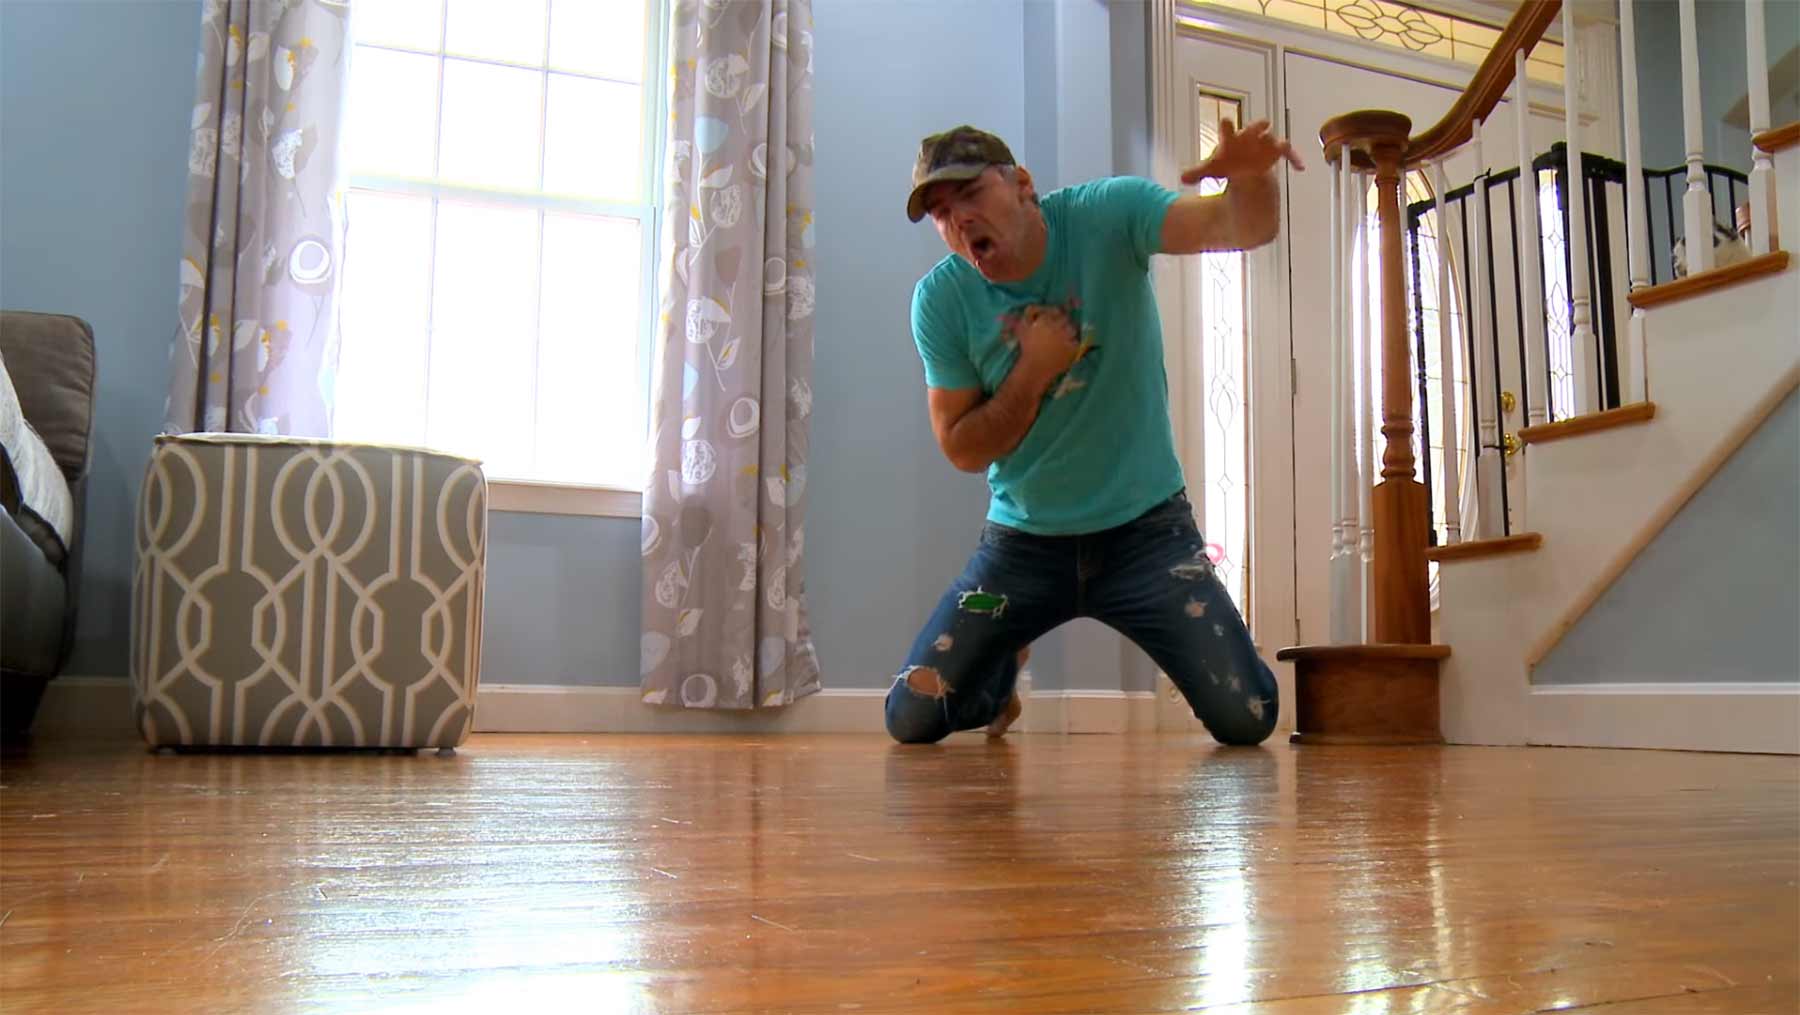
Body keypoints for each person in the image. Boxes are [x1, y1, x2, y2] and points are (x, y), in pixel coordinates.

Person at [886, 121, 1303, 746]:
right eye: (942, 213)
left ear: (1022, 184)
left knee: (1247, 716)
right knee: (912, 716)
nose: (959, 220)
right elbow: (962, 448)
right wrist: (1033, 371)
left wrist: (1250, 177)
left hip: (1148, 534)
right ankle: (1000, 672)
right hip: (1021, 545)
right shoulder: (941, 300)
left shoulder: (1108, 215)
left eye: (970, 194)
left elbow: (1240, 225)